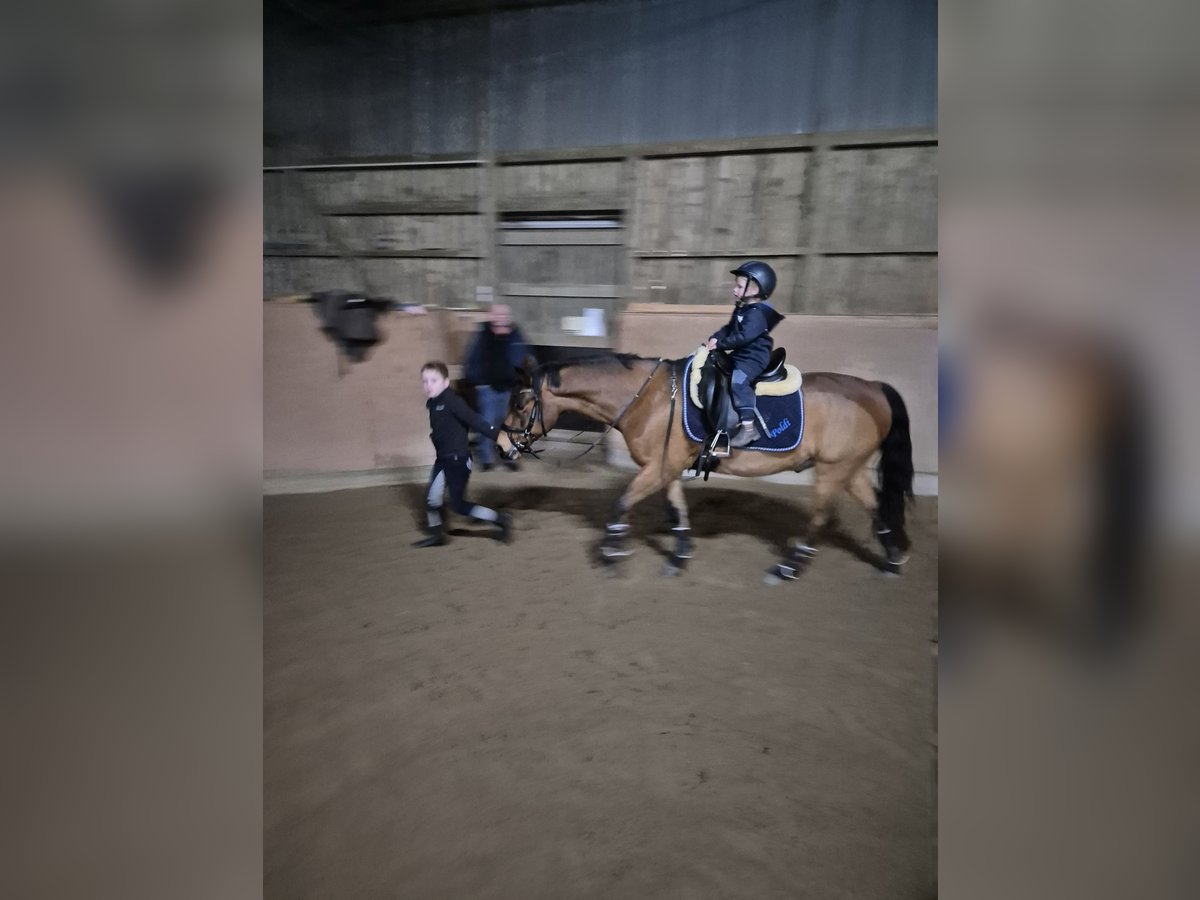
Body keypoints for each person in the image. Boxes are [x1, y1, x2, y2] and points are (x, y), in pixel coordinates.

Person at [413, 360, 513, 548]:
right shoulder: (433, 403)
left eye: (433, 380)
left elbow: (475, 420)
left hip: (458, 460)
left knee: (458, 505)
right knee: (431, 499)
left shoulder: (452, 401)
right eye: (425, 381)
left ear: (446, 382)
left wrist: (499, 436)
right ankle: (437, 536)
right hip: (443, 459)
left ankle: (501, 519)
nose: (428, 385)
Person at [704, 260, 786, 448]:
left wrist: (720, 345)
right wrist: (715, 338)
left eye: (739, 286)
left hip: (753, 357)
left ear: (755, 288)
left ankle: (748, 428)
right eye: (736, 285)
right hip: (742, 354)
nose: (734, 290)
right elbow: (729, 329)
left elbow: (743, 338)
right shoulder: (742, 308)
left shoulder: (757, 314)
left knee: (738, 381)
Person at [464, 303, 530, 471]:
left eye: (503, 315)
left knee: (509, 425)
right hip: (488, 388)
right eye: (497, 315)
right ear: (491, 316)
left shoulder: (515, 335)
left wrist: (521, 380)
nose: (500, 318)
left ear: (508, 317)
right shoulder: (482, 335)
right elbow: (471, 360)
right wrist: (479, 382)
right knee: (487, 423)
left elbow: (524, 358)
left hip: (509, 389)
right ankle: (486, 458)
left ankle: (508, 456)